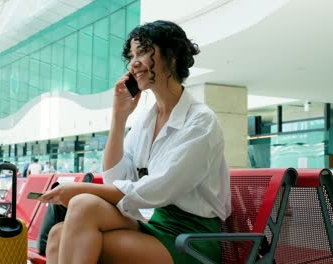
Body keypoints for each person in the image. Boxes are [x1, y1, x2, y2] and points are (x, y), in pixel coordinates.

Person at [39, 20, 230, 264]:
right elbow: (116, 179)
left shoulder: (200, 121)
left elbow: (158, 190)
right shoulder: (147, 121)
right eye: (132, 56)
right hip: (156, 223)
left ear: (170, 55)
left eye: (142, 52)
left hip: (190, 241)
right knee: (61, 229)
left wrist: (83, 188)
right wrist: (119, 117)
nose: (133, 63)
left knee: (77, 223)